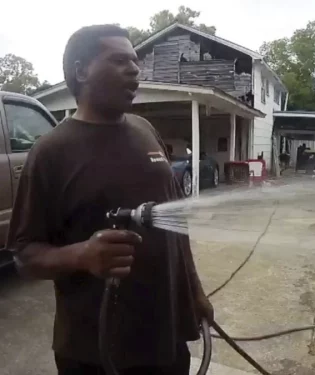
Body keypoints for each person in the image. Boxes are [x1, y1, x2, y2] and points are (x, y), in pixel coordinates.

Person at [6, 24, 213, 375]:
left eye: (135, 61)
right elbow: (25, 256)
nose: (135, 69)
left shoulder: (146, 131)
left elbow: (176, 225)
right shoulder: (51, 152)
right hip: (94, 350)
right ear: (81, 71)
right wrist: (82, 254)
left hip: (165, 341)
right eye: (119, 60)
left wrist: (195, 291)